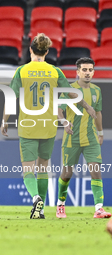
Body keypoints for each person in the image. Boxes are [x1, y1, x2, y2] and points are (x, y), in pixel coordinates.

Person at [0, 33, 97, 219]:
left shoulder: (22, 71)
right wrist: (87, 106)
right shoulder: (55, 71)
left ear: (30, 49)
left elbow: (11, 99)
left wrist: (4, 121)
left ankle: (36, 198)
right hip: (49, 125)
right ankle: (41, 210)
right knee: (43, 166)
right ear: (47, 51)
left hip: (28, 124)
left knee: (28, 168)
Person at [56, 57, 111, 219]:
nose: (87, 73)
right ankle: (60, 205)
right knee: (66, 174)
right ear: (77, 72)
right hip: (71, 138)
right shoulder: (69, 89)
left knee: (96, 171)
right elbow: (59, 110)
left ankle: (99, 208)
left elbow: (98, 113)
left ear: (93, 72)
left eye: (90, 70)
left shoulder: (97, 90)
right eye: (84, 70)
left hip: (91, 138)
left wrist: (100, 132)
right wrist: (64, 122)